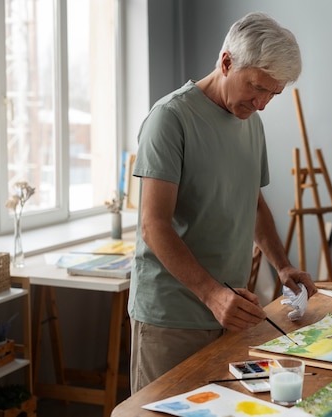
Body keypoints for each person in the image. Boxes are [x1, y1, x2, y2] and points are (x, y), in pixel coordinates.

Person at [127, 11, 317, 394]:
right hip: (172, 316)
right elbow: (154, 225)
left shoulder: (251, 121)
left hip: (231, 312)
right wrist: (212, 294)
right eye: (257, 87)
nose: (262, 103)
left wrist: (282, 265)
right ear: (227, 61)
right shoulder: (170, 119)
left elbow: (254, 202)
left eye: (272, 95)